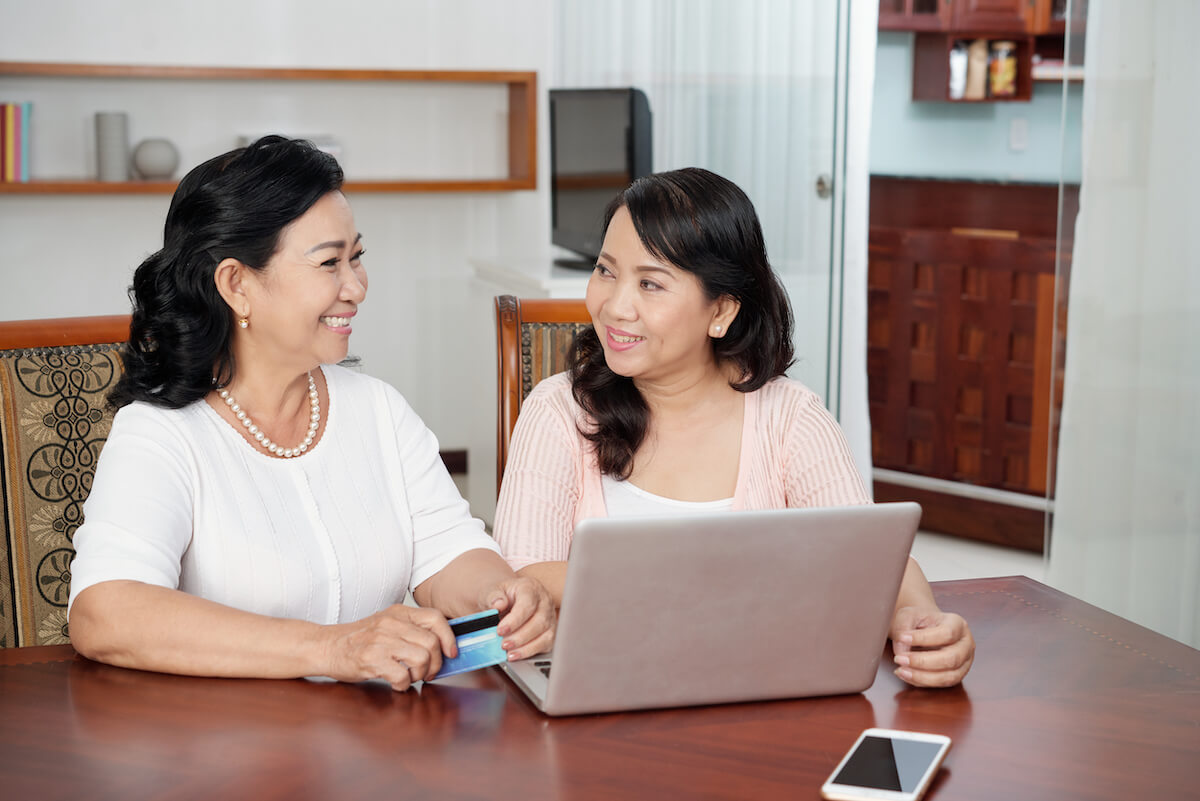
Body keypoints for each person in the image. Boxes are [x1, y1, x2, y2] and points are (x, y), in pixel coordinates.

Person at [68, 136, 554, 691]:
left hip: (380, 744)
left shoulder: (378, 409)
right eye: (329, 263)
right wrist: (332, 649)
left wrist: (505, 595)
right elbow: (105, 613)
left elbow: (448, 551)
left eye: (357, 257)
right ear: (237, 284)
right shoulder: (161, 433)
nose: (357, 287)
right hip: (226, 756)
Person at [493, 167, 973, 688]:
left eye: (650, 283)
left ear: (720, 311)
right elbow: (523, 578)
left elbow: (874, 561)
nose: (614, 305)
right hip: (602, 695)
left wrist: (918, 622)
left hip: (763, 695)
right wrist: (716, 585)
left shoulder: (791, 419)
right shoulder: (558, 410)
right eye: (606, 270)